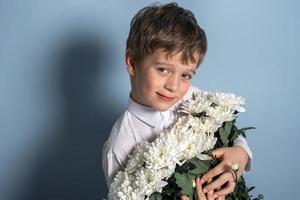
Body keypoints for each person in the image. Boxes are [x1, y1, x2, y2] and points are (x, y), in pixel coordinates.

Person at [102, 2, 252, 199]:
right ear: (132, 63)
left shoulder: (195, 99)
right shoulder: (119, 146)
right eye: (163, 69)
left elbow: (230, 135)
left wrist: (240, 154)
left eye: (186, 76)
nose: (173, 86)